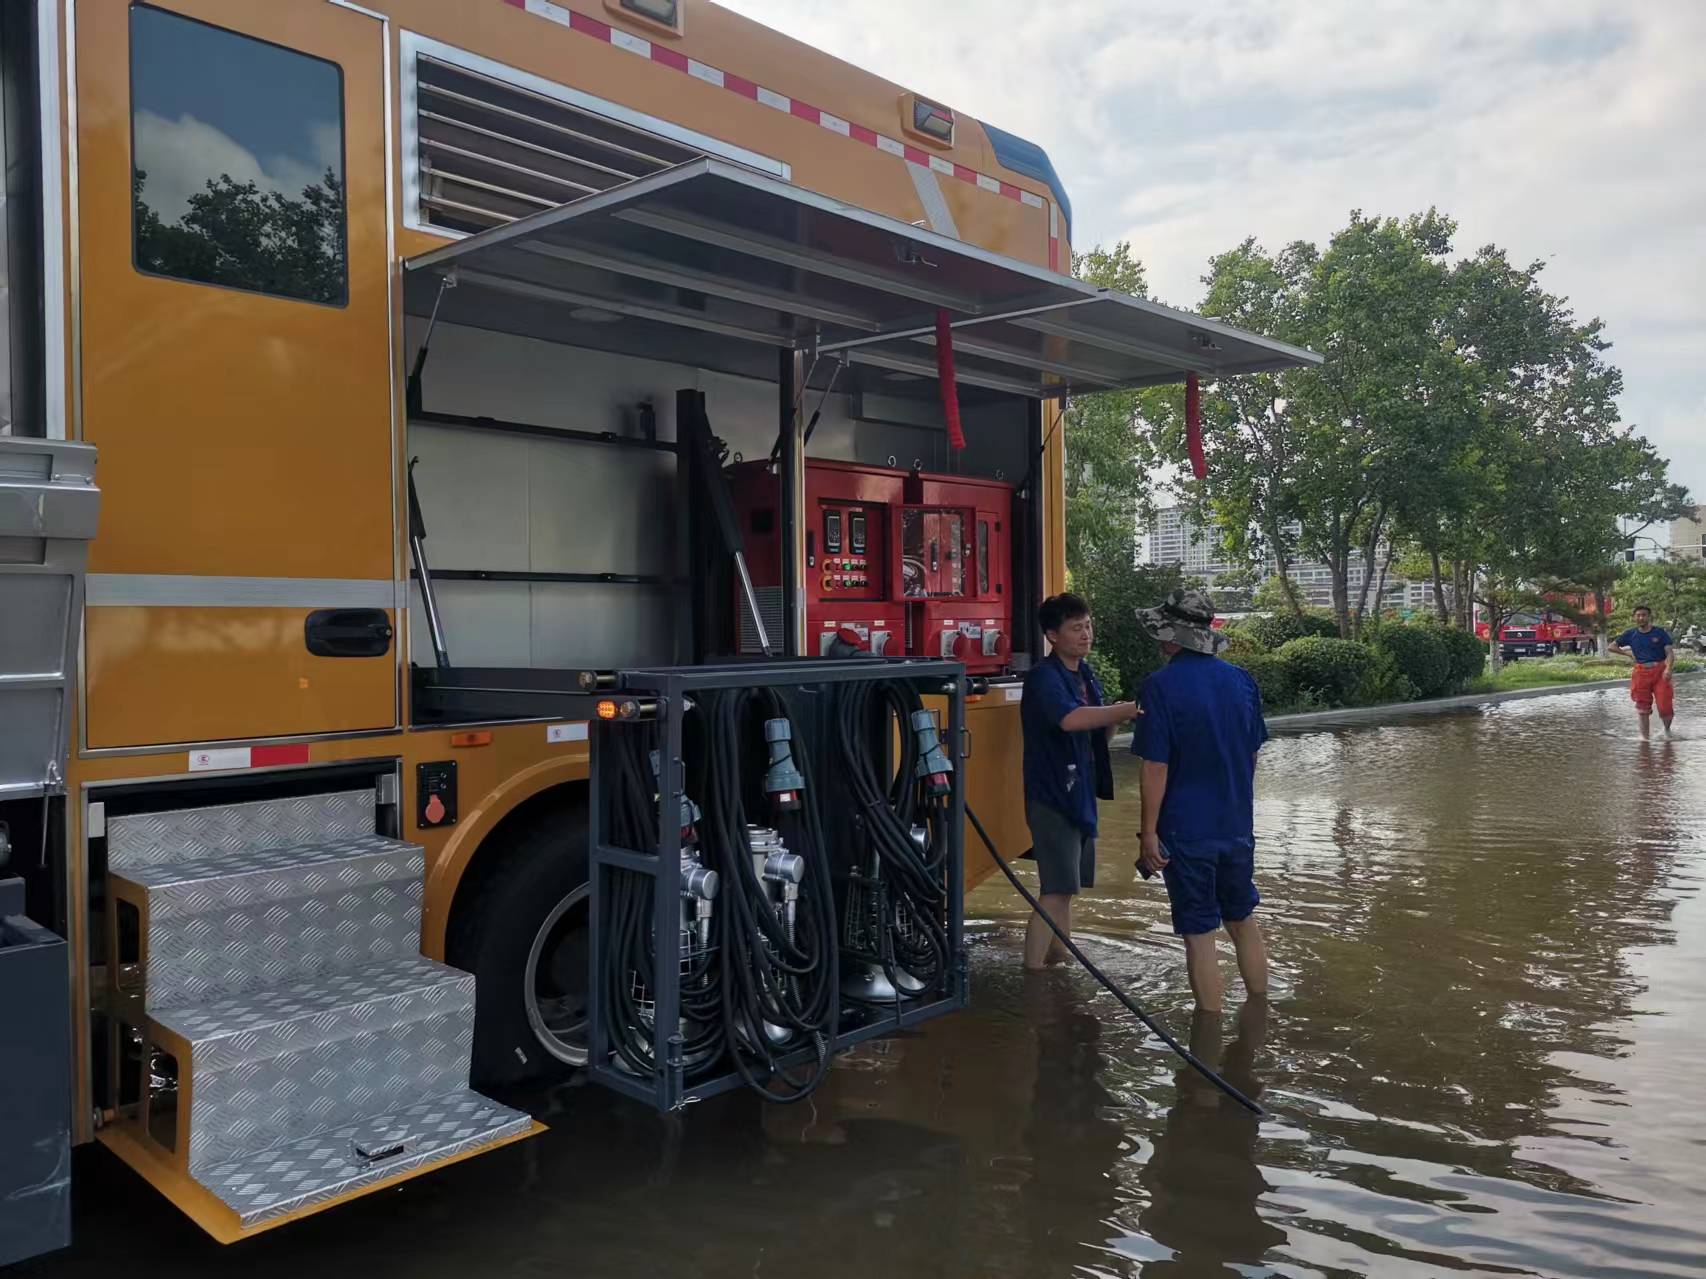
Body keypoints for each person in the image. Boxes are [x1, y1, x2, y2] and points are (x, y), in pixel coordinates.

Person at [1133, 589, 1269, 1012]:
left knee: (1199, 934)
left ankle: (1207, 1035)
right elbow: (1251, 755)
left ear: (1172, 637)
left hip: (1186, 831)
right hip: (1236, 825)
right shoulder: (1242, 681)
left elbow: (1156, 766)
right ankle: (1259, 1017)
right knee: (1242, 919)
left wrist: (1149, 834)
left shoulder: (1159, 686)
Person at [1019, 592, 1140, 970]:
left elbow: (1096, 734)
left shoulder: (1084, 674)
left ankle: (1060, 960)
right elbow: (1070, 720)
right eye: (1076, 628)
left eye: (1088, 626)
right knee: (1055, 890)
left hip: (1079, 794)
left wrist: (1115, 717)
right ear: (1053, 635)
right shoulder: (1044, 677)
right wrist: (1122, 710)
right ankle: (1033, 972)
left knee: (1065, 890)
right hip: (1053, 795)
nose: (1086, 634)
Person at [1610, 604, 1676, 738]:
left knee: (1665, 705)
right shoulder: (1630, 634)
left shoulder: (1660, 633)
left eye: (1644, 615)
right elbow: (1611, 646)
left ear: (1649, 617)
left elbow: (1669, 653)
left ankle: (1667, 730)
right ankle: (1645, 739)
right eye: (1638, 615)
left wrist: (1668, 669)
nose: (1641, 618)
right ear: (1634, 617)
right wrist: (1628, 653)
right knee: (1642, 707)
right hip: (1640, 673)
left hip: (1660, 672)